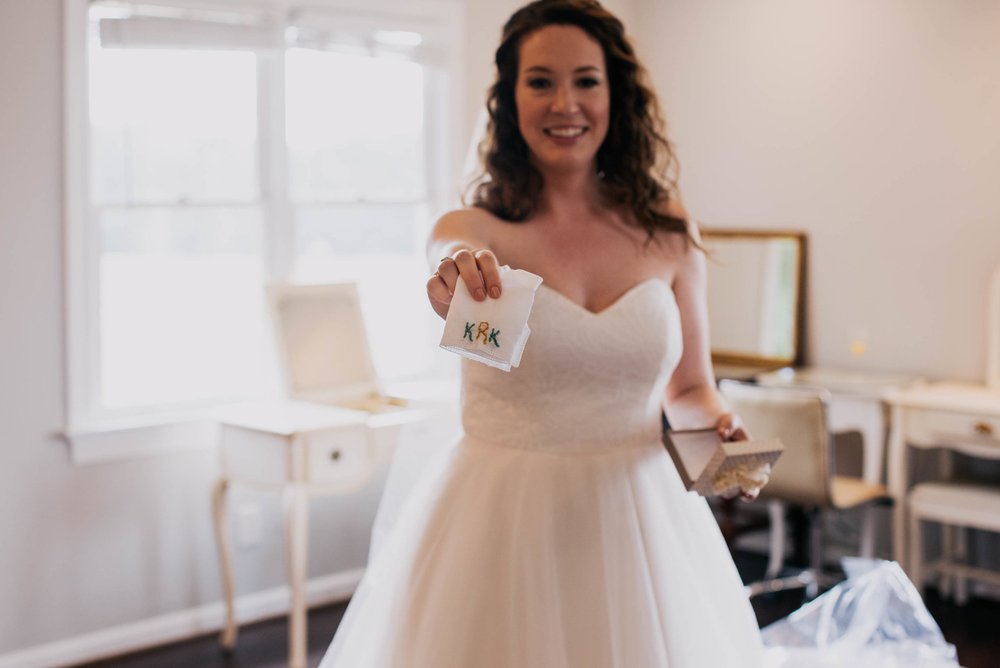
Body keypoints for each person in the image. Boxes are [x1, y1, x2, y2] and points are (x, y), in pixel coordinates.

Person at [319, 1, 765, 666]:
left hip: (642, 522)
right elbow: (448, 271)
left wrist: (727, 448)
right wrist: (452, 280)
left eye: (586, 79)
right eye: (540, 81)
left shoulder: (668, 230)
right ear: (508, 98)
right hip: (503, 525)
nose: (566, 103)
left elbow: (691, 388)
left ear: (616, 93)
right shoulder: (473, 232)